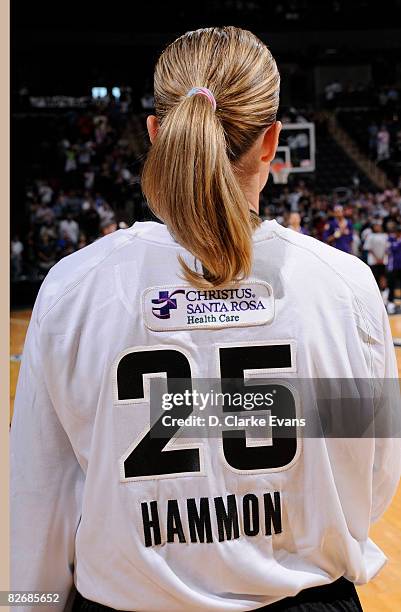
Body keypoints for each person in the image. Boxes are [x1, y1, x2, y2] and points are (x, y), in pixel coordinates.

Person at [11, 26, 401, 612]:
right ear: (272, 143)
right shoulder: (345, 286)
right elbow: (368, 484)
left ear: (154, 135)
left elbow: (37, 502)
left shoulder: (73, 288)